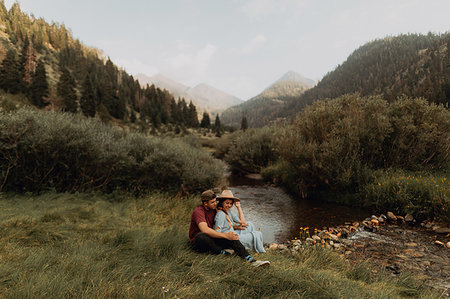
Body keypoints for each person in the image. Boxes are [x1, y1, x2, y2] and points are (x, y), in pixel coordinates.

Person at [189, 189, 269, 267]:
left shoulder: (213, 209)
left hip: (211, 237)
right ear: (205, 203)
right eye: (212, 202)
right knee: (201, 236)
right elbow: (205, 230)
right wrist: (226, 235)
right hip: (200, 241)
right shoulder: (198, 211)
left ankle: (250, 260)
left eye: (215, 201)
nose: (215, 204)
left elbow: (224, 225)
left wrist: (234, 228)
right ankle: (222, 252)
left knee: (232, 236)